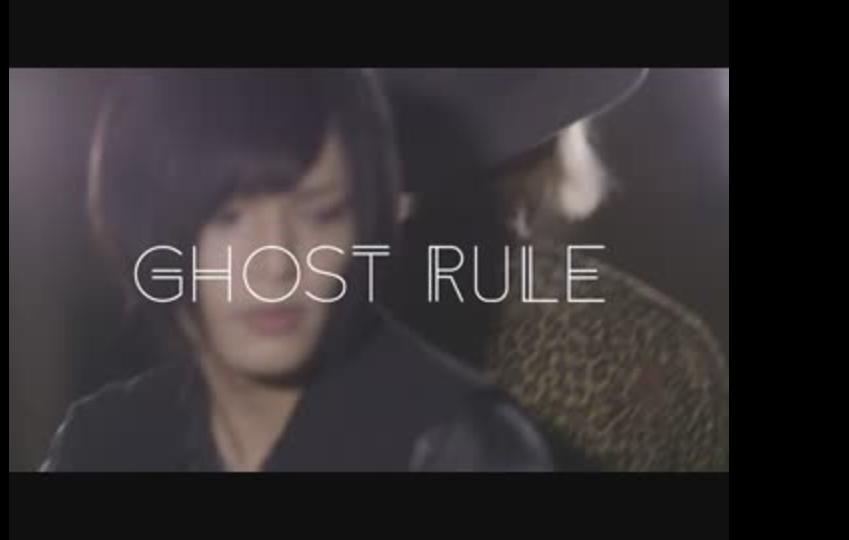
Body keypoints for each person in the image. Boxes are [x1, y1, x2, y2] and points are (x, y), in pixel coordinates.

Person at [40, 68, 643, 472]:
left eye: (321, 212)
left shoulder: (461, 447)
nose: (275, 263)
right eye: (229, 217)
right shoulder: (107, 439)